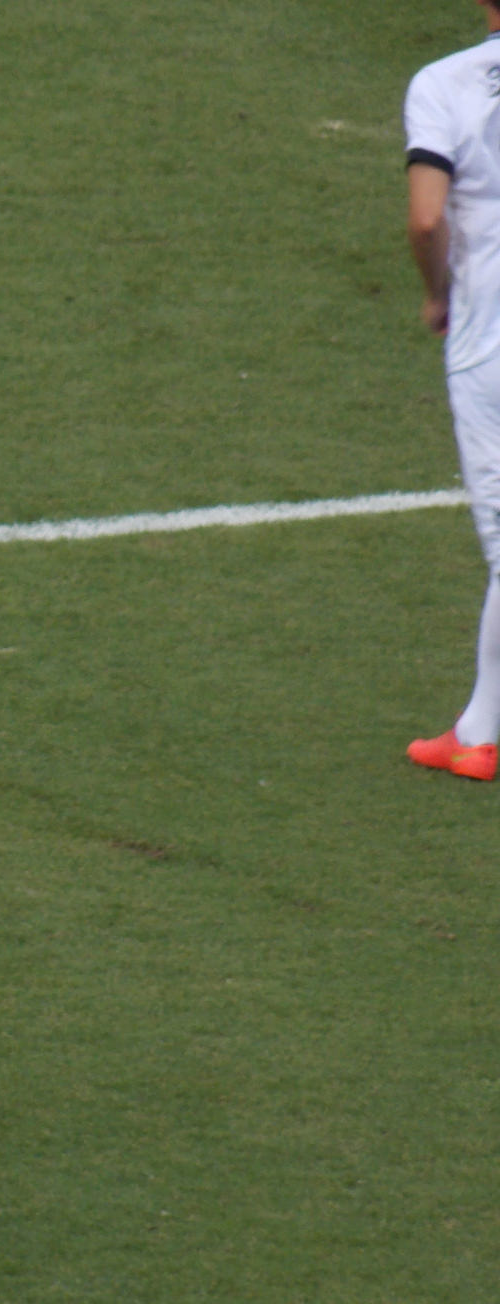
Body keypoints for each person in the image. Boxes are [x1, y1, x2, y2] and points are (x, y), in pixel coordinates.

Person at [407, 1, 500, 782]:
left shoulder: (444, 84)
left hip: (490, 338)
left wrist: (437, 295)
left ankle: (479, 736)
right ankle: (477, 726)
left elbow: (427, 218)